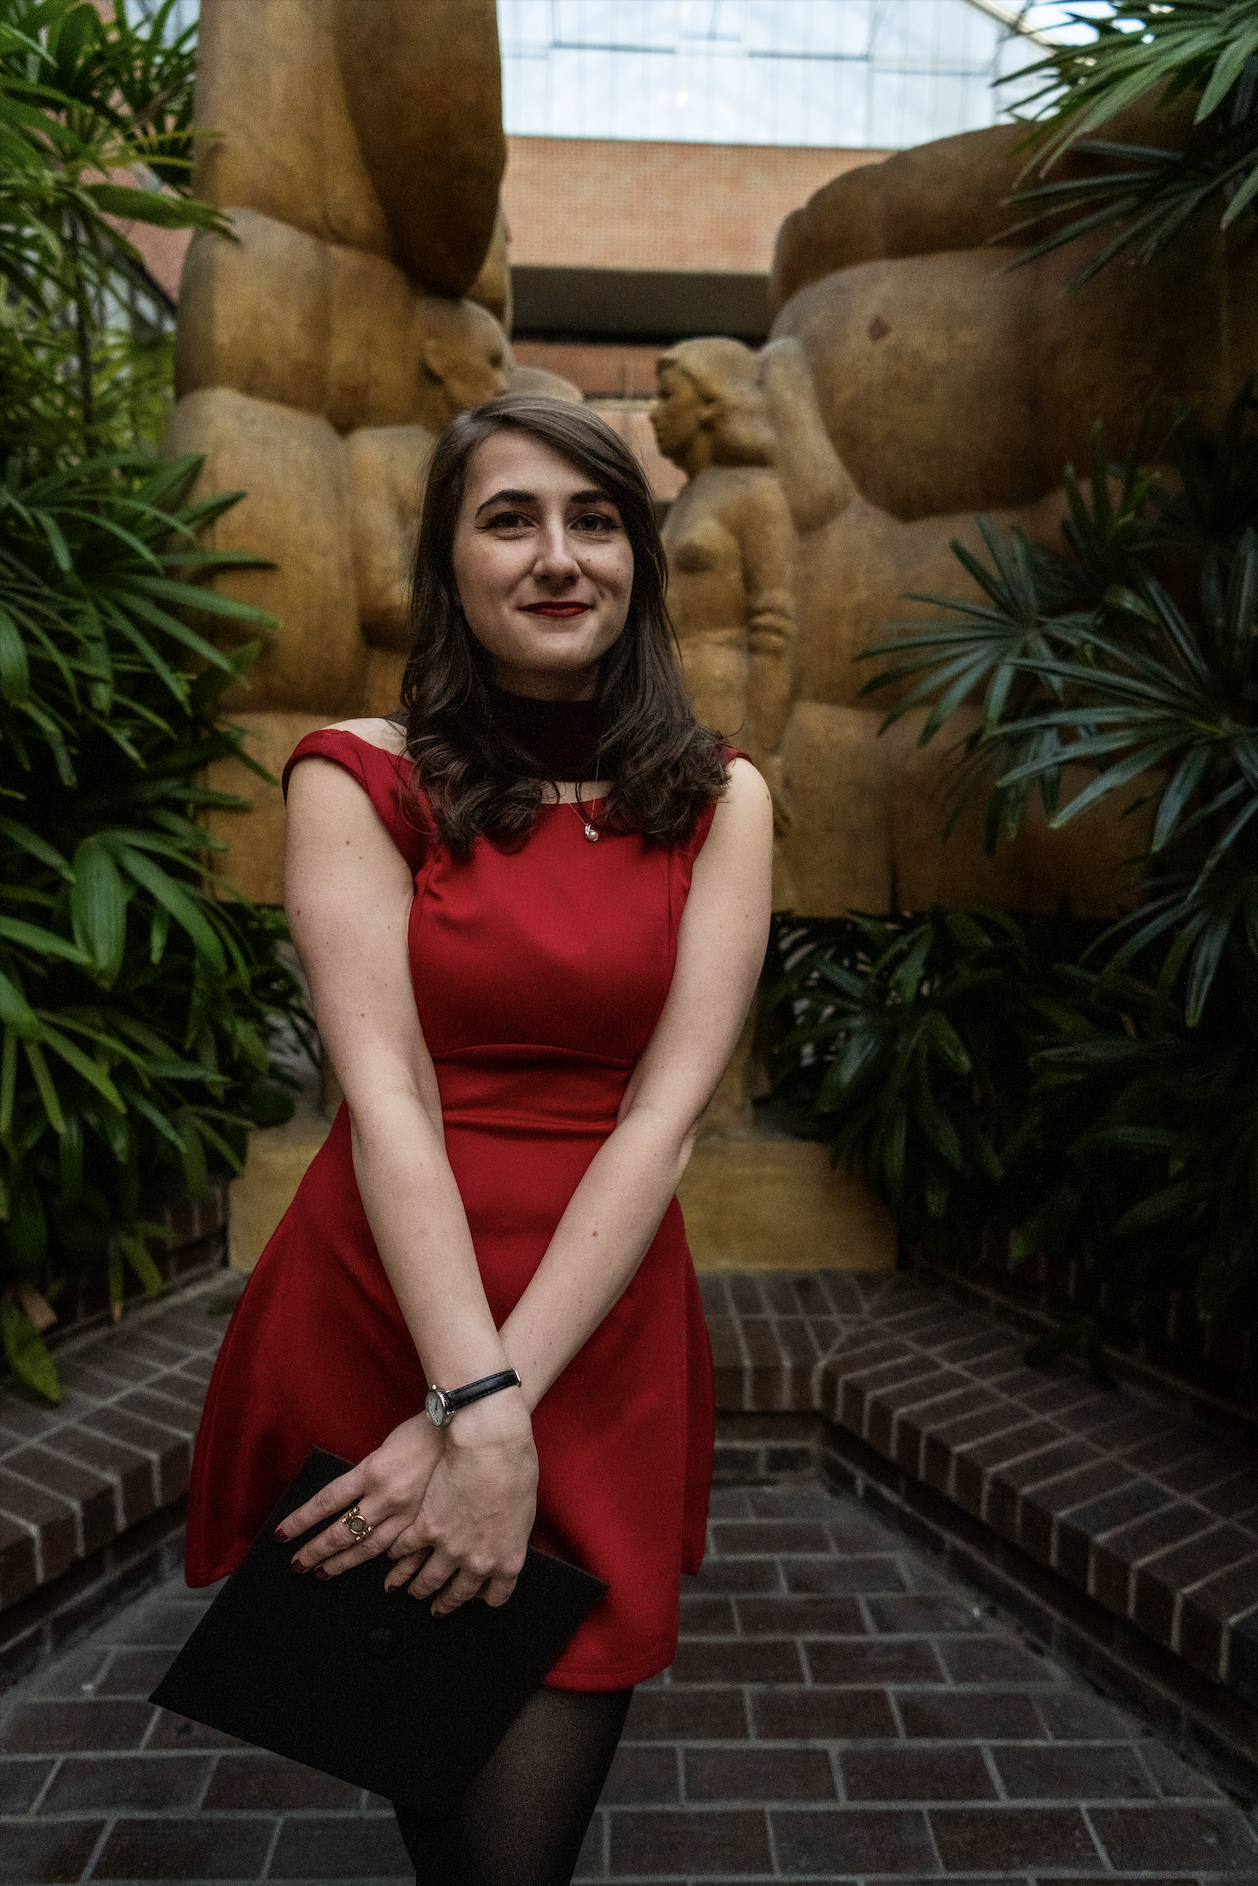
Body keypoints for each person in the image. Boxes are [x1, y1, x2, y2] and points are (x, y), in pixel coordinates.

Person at [184, 392, 773, 1884]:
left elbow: (663, 1118)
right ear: (449, 562)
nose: (558, 556)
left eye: (595, 521)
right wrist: (474, 1401)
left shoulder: (720, 797)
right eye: (510, 520)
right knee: (442, 1813)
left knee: (519, 1847)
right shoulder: (355, 773)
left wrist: (506, 1403)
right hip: (391, 1301)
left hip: (595, 1321)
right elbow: (386, 1091)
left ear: (637, 560)